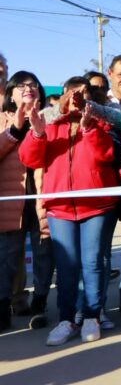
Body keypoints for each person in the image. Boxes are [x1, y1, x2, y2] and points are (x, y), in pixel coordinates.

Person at [19, 76, 118, 346]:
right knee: (66, 266)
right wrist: (37, 133)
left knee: (93, 262)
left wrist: (88, 129)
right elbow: (30, 158)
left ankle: (92, 316)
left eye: (83, 93)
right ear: (62, 95)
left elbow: (105, 156)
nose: (76, 98)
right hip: (60, 206)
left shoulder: (100, 121)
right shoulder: (48, 123)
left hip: (96, 204)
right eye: (72, 92)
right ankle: (67, 319)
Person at [0, 71, 48, 332]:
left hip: (42, 199)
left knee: (43, 254)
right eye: (21, 85)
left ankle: (39, 305)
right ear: (11, 93)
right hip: (11, 200)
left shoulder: (49, 118)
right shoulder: (2, 119)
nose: (28, 88)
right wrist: (15, 130)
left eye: (33, 85)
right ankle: (2, 308)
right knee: (6, 257)